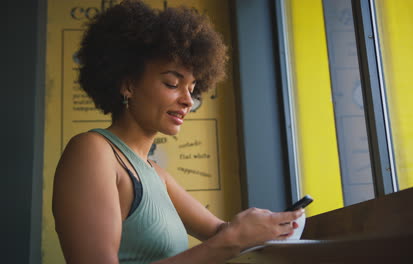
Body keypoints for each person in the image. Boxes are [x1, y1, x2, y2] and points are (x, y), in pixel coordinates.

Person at [52, 1, 304, 263]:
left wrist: (267, 225)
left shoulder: (156, 174)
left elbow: (221, 232)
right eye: (172, 83)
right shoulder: (92, 151)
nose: (188, 100)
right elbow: (227, 240)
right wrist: (231, 240)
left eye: (192, 88)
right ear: (128, 85)